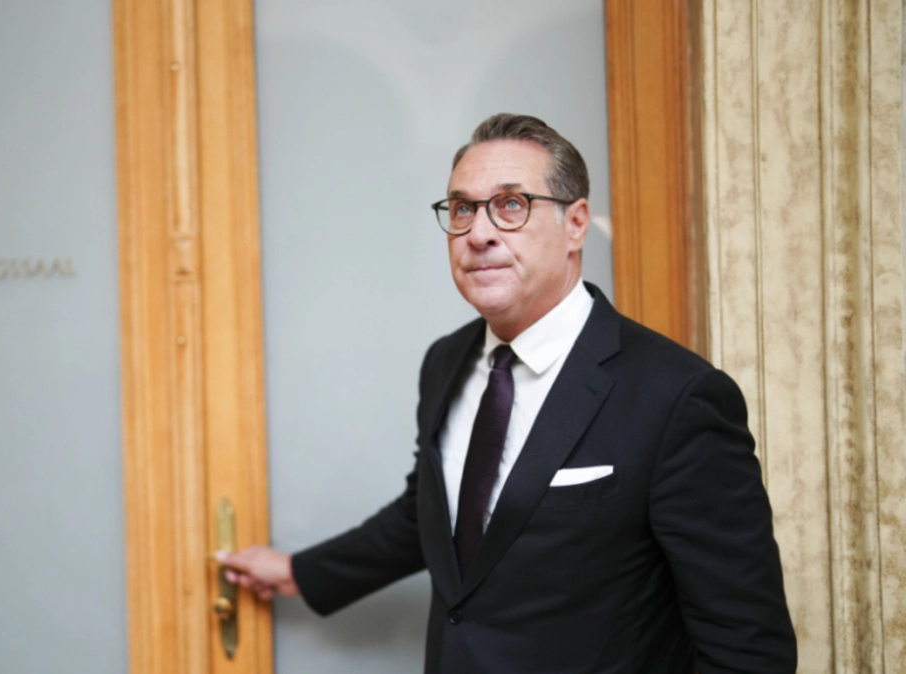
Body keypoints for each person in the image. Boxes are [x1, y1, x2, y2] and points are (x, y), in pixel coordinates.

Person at [218, 113, 797, 673]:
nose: (479, 233)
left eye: (512, 205)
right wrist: (298, 572)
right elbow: (432, 514)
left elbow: (747, 644)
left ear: (576, 224)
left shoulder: (678, 397)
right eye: (462, 209)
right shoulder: (446, 362)